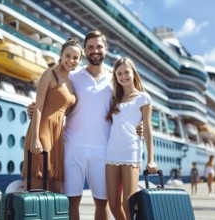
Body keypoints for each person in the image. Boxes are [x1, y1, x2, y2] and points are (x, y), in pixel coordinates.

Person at [27, 31, 142, 220]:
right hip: (72, 147)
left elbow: (132, 106)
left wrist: (141, 126)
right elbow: (51, 102)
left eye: (99, 46)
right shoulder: (73, 77)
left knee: (102, 203)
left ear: (106, 49)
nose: (95, 51)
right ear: (85, 51)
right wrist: (31, 110)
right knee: (71, 201)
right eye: (90, 47)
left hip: (104, 150)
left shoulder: (116, 80)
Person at [21, 38, 82, 192]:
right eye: (68, 56)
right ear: (61, 55)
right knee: (37, 184)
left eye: (76, 58)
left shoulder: (70, 82)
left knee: (56, 188)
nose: (71, 60)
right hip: (42, 132)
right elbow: (39, 107)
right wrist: (35, 139)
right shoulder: (50, 74)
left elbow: (64, 110)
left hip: (57, 137)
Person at [105, 57, 157, 220]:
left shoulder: (143, 97)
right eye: (119, 74)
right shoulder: (115, 98)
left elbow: (147, 129)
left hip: (131, 151)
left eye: (126, 72)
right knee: (113, 203)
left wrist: (151, 160)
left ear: (133, 73)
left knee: (129, 202)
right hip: (112, 153)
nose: (123, 76)